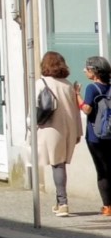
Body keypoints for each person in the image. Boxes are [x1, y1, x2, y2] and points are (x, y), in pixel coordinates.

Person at [36, 51, 82, 217]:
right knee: (60, 163)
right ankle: (59, 202)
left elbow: (35, 109)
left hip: (50, 128)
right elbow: (76, 111)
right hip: (68, 128)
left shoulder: (41, 83)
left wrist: (30, 127)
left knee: (57, 164)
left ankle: (63, 203)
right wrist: (78, 131)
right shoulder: (68, 85)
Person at [80, 55, 111, 217]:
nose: (85, 71)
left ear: (95, 71)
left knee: (102, 171)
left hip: (96, 136)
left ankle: (107, 206)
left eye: (87, 68)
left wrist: (76, 97)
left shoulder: (92, 88)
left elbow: (87, 110)